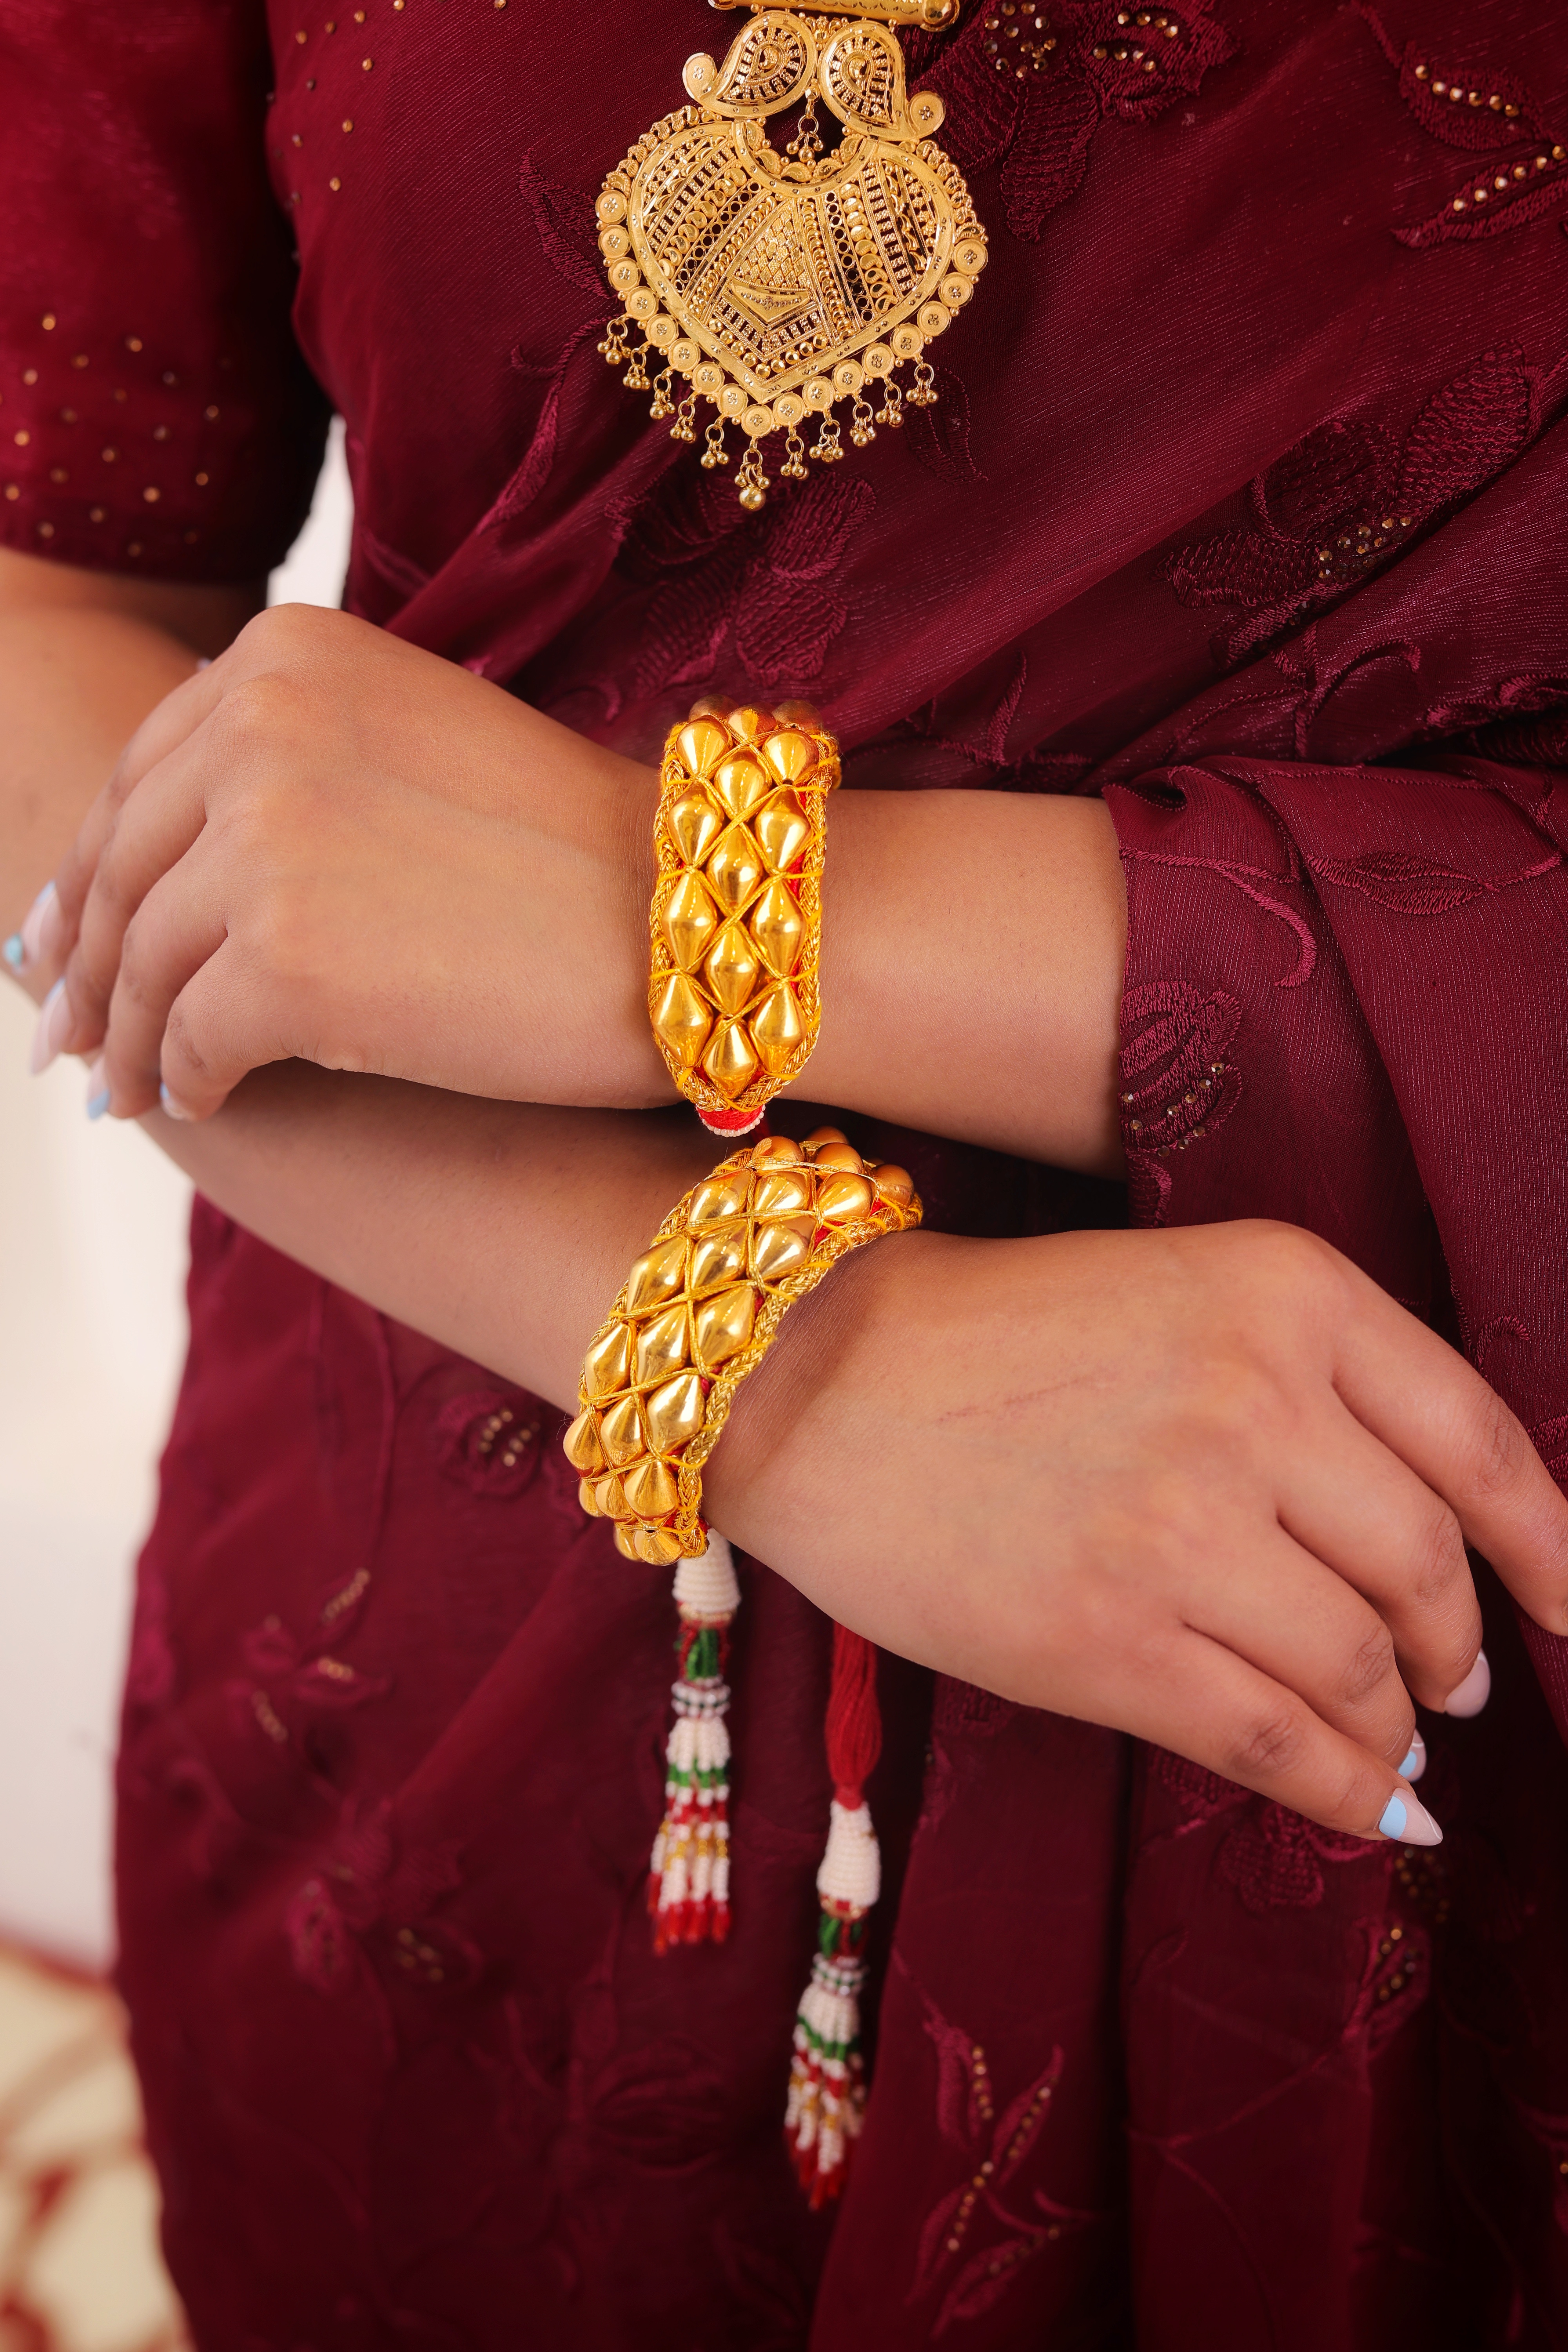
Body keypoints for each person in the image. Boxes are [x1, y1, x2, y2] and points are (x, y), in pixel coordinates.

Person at [4, 0, 1568, 2342]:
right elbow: (47, 611)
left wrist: (686, 905)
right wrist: (777, 1354)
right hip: (458, 1604)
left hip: (1420, 1635)